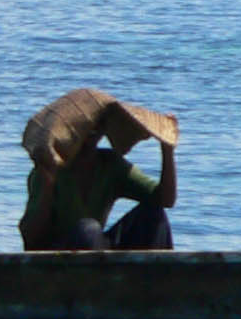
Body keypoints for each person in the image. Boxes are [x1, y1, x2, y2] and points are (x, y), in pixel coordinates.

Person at [19, 89, 177, 251]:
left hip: (96, 251)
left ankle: (157, 275)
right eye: (85, 128)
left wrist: (167, 150)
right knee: (88, 229)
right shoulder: (50, 169)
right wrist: (48, 186)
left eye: (97, 126)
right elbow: (30, 239)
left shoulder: (111, 165)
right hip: (57, 258)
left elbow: (165, 200)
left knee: (153, 215)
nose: (90, 134)